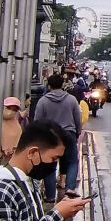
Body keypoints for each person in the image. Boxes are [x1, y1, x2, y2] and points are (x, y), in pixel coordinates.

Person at [33, 74, 82, 202]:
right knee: (72, 161)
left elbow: (37, 120)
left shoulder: (43, 101)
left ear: (49, 85)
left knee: (49, 164)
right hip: (68, 133)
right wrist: (78, 132)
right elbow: (78, 118)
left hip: (50, 135)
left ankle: (50, 196)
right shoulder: (71, 100)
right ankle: (70, 188)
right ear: (62, 84)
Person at [0, 97, 23, 164]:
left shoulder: (16, 126)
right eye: (8, 108)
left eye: (14, 110)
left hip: (7, 162)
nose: (10, 112)